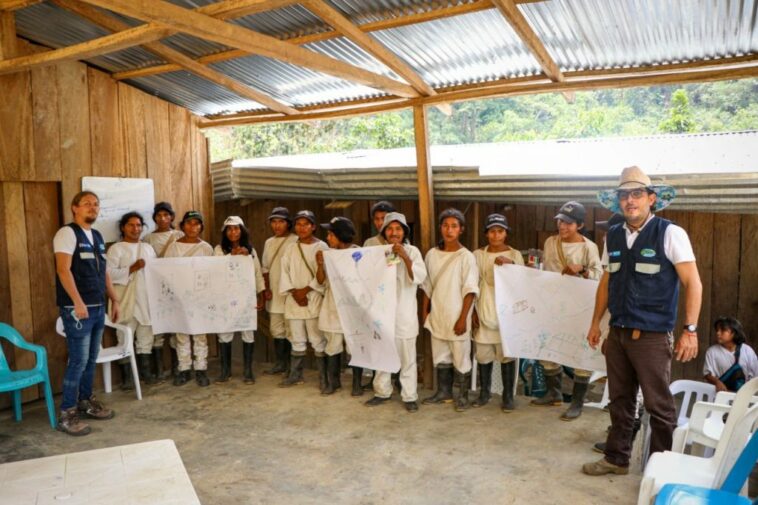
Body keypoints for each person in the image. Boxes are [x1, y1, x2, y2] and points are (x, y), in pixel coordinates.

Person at [584, 166, 702, 476]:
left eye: (637, 194)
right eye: (624, 195)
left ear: (651, 199)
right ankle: (616, 459)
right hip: (618, 333)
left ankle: (660, 470)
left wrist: (690, 330)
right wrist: (597, 322)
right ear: (618, 202)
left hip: (651, 336)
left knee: (658, 406)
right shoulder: (613, 235)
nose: (630, 201)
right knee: (620, 400)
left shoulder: (670, 233)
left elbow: (693, 283)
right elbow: (607, 283)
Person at [54, 191, 119, 436]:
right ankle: (67, 414)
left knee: (91, 359)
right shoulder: (67, 233)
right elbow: (63, 270)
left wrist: (113, 298)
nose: (92, 207)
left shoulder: (98, 236)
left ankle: (85, 402)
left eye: (96, 204)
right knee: (78, 361)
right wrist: (77, 302)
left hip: (97, 306)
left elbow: (104, 271)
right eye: (86, 204)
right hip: (77, 310)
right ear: (74, 208)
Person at [532, 201, 602, 421]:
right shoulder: (550, 242)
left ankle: (577, 403)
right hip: (553, 305)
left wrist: (581, 269)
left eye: (569, 223)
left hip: (580, 308)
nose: (563, 226)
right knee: (547, 349)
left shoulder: (589, 247)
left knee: (581, 352)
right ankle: (554, 394)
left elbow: (599, 275)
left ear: (579, 225)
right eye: (561, 221)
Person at [364, 212, 427, 412]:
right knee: (383, 354)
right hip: (383, 314)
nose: (394, 232)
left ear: (404, 232)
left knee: (407, 357)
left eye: (398, 228)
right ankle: (382, 391)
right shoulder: (379, 252)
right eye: (390, 228)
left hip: (404, 315)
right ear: (384, 232)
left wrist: (405, 257)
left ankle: (409, 396)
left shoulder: (413, 251)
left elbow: (418, 277)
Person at [421, 208, 479, 412]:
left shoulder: (466, 257)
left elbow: (470, 290)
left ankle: (462, 396)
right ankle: (444, 392)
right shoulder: (431, 255)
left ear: (461, 229)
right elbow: (427, 286)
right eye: (445, 225)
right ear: (440, 228)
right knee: (441, 356)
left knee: (461, 357)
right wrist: (425, 311)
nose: (449, 230)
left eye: (454, 226)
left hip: (457, 315)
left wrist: (463, 318)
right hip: (438, 314)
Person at [471, 213, 524, 412]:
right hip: (483, 306)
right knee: (483, 353)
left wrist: (510, 266)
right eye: (492, 231)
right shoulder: (478, 255)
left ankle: (508, 396)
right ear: (486, 234)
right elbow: (471, 283)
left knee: (506, 354)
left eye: (500, 231)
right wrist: (472, 312)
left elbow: (521, 283)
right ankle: (484, 393)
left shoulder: (515, 255)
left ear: (505, 234)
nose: (496, 235)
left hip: (506, 312)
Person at [106, 211, 160, 387]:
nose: (135, 229)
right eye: (131, 225)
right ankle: (127, 379)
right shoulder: (116, 248)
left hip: (146, 299)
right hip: (125, 300)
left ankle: (146, 374)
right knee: (124, 337)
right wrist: (132, 268)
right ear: (123, 227)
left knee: (146, 337)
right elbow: (108, 274)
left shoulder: (148, 248)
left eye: (138, 225)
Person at [278, 210, 329, 388]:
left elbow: (324, 276)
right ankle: (295, 375)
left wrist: (306, 290)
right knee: (296, 338)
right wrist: (295, 293)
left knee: (317, 339)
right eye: (299, 224)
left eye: (306, 224)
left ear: (313, 226)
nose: (302, 227)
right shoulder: (291, 247)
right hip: (294, 299)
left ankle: (324, 377)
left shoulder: (322, 247)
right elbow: (284, 272)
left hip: (313, 298)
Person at [164, 210, 215, 387]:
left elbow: (211, 274)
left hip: (200, 298)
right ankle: (184, 369)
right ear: (183, 226)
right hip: (179, 297)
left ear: (201, 226)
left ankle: (201, 369)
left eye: (196, 223)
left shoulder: (207, 248)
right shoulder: (174, 247)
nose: (193, 227)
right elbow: (166, 272)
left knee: (200, 335)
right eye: (189, 223)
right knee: (182, 335)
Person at [213, 216, 265, 384]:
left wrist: (261, 294)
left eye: (236, 228)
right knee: (225, 333)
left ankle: (248, 371)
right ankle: (225, 371)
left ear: (242, 231)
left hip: (245, 297)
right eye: (229, 229)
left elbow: (257, 273)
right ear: (225, 232)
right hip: (225, 298)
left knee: (247, 332)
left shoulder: (250, 250)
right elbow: (215, 270)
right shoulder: (219, 250)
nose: (233, 232)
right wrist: (232, 257)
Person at [315, 217, 358, 395]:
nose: (328, 238)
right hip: (333, 306)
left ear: (340, 236)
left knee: (355, 346)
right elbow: (320, 281)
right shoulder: (328, 255)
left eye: (331, 234)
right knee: (333, 345)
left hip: (353, 309)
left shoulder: (359, 253)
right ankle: (334, 382)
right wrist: (320, 265)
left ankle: (356, 384)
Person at [144, 201, 183, 380]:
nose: (162, 218)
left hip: (175, 285)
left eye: (166, 215)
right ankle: (159, 370)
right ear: (154, 218)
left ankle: (178, 367)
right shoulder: (148, 239)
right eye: (159, 215)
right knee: (157, 327)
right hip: (154, 286)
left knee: (176, 326)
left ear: (172, 217)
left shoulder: (179, 235)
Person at [261, 207, 298, 376]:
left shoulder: (296, 240)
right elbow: (265, 268)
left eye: (281, 221)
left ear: (288, 224)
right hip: (274, 293)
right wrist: (266, 288)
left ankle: (292, 367)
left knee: (292, 330)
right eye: (274, 222)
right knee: (277, 329)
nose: (277, 225)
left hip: (291, 294)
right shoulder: (269, 242)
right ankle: (280, 364)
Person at [704, 317, 757, 392]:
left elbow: (755, 374)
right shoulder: (712, 352)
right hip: (721, 393)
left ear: (734, 333)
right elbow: (707, 374)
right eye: (717, 330)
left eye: (722, 330)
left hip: (744, 394)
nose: (718, 333)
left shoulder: (747, 351)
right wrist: (717, 382)